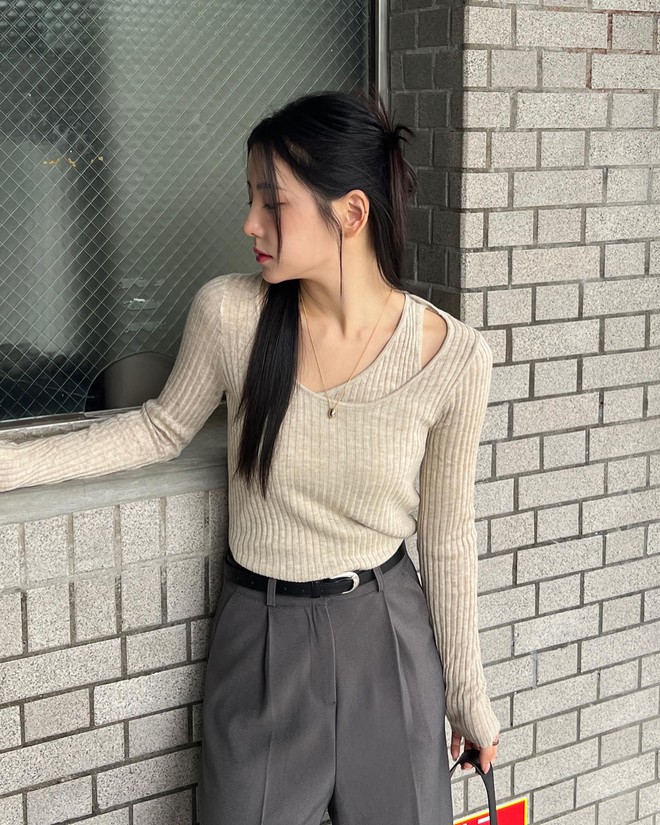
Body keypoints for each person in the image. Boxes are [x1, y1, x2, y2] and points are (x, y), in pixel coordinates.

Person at [0, 87, 500, 824]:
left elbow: (449, 538)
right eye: (251, 200)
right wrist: (12, 464)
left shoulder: (455, 359)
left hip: (387, 638)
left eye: (273, 203)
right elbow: (158, 430)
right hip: (263, 636)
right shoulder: (231, 314)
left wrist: (469, 697)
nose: (249, 223)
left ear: (351, 213)